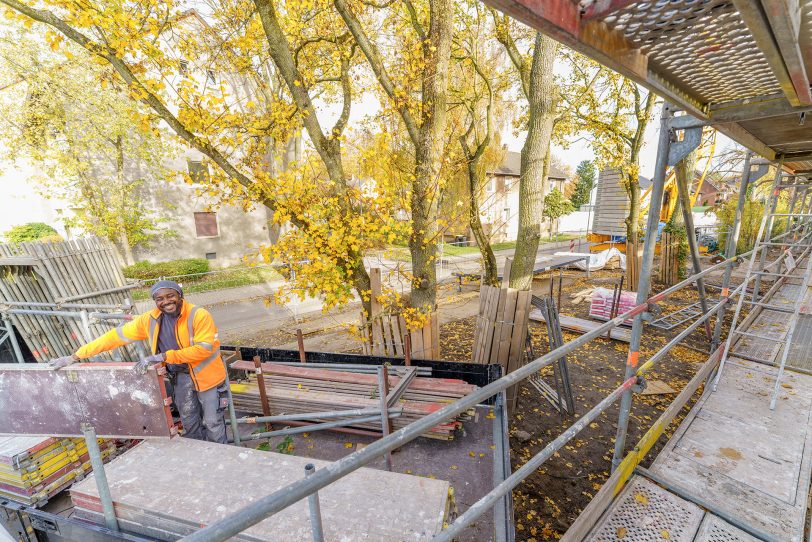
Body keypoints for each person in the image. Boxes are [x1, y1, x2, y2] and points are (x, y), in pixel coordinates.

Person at [48, 280, 228, 443]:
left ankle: (222, 456)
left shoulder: (199, 315)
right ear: (155, 301)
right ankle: (200, 456)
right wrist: (75, 356)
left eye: (170, 296)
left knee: (213, 422)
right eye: (160, 299)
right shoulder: (150, 320)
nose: (166, 301)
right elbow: (113, 338)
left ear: (180, 296)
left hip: (207, 377)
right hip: (180, 378)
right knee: (189, 422)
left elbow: (203, 350)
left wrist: (163, 356)